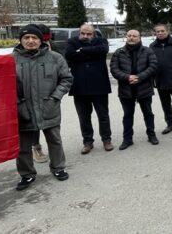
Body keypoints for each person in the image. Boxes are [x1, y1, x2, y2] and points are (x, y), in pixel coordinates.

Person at [13, 24, 73, 191]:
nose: (31, 41)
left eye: (34, 38)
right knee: (23, 146)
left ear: (41, 40)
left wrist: (55, 97)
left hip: (49, 107)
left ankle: (58, 168)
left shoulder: (55, 57)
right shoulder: (11, 60)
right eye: (26, 38)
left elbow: (66, 79)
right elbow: (3, 85)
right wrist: (17, 101)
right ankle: (27, 174)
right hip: (22, 109)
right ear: (21, 40)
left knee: (54, 140)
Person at [65, 24, 113, 154]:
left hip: (100, 85)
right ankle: (87, 142)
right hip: (80, 86)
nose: (85, 36)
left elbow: (103, 50)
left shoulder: (101, 41)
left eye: (89, 34)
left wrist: (81, 50)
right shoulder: (72, 41)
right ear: (79, 33)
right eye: (83, 34)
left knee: (103, 115)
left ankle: (106, 140)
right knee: (84, 117)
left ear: (94, 34)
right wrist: (91, 51)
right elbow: (69, 54)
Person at [110, 29, 159, 150]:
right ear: (126, 37)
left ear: (139, 37)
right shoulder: (119, 52)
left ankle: (151, 135)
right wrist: (127, 77)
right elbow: (114, 69)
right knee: (127, 115)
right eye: (129, 36)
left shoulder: (147, 51)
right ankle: (127, 139)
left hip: (144, 88)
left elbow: (153, 66)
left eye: (134, 36)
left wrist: (140, 77)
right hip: (126, 90)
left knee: (148, 113)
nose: (131, 38)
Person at [32, 24, 53, 164]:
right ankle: (36, 147)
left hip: (48, 93)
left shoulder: (50, 49)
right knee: (33, 124)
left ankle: (55, 149)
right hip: (31, 93)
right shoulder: (26, 49)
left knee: (50, 123)